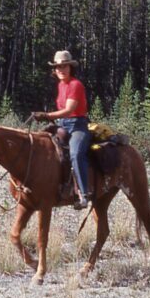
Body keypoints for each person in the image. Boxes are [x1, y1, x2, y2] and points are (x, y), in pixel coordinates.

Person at [32, 50, 92, 209]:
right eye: (58, 67)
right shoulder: (61, 85)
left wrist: (46, 115)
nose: (61, 69)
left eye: (64, 66)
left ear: (70, 67)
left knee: (75, 153)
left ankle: (83, 194)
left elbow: (69, 109)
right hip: (63, 125)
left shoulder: (75, 85)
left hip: (78, 125)